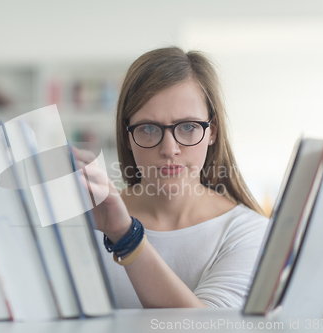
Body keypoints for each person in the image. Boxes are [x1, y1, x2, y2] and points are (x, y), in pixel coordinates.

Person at [71, 47, 268, 309]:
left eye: (187, 127)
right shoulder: (86, 222)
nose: (169, 149)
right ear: (128, 136)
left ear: (212, 132)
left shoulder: (248, 232)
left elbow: (209, 328)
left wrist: (125, 236)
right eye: (148, 129)